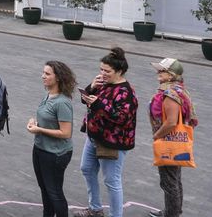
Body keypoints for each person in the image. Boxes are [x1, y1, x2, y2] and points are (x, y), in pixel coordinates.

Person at [75, 47, 138, 217]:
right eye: (101, 69)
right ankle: (95, 209)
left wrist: (98, 105)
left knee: (112, 180)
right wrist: (91, 88)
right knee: (87, 169)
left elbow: (122, 119)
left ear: (119, 71)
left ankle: (115, 215)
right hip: (95, 136)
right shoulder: (103, 84)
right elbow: (87, 101)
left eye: (107, 71)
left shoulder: (126, 92)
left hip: (113, 143)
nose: (103, 73)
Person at [148, 58, 197, 217]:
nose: (158, 72)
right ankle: (173, 211)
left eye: (161, 71)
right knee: (174, 179)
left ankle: (171, 214)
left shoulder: (170, 94)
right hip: (175, 141)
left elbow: (170, 122)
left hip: (169, 142)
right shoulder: (177, 89)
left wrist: (156, 135)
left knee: (169, 182)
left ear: (170, 75)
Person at [27, 61, 76, 217]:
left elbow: (66, 133)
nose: (43, 76)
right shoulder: (48, 95)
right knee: (45, 189)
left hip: (55, 154)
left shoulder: (62, 102)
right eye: (43, 72)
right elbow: (48, 119)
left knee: (54, 192)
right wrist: (34, 123)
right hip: (41, 149)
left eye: (47, 74)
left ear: (58, 78)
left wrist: (39, 129)